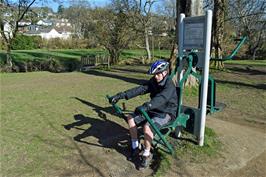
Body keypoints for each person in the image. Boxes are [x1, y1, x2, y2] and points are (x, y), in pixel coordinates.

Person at [109, 60, 178, 169]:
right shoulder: (154, 82)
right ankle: (135, 147)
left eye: (157, 74)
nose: (155, 77)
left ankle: (146, 154)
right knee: (130, 118)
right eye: (154, 75)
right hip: (153, 109)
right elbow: (140, 89)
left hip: (166, 112)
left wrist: (147, 106)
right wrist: (121, 95)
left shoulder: (169, 85)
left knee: (147, 127)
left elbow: (162, 99)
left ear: (165, 73)